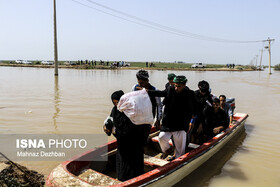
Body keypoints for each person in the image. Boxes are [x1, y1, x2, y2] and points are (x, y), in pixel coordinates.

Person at [147, 75, 197, 159]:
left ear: (184, 85)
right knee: (161, 137)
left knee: (180, 148)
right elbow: (160, 93)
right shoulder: (170, 89)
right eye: (175, 85)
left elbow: (195, 107)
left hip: (181, 123)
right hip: (169, 122)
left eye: (179, 86)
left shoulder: (190, 93)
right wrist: (147, 91)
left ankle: (178, 159)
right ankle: (168, 150)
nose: (176, 88)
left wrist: (191, 120)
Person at [103, 90, 144, 181]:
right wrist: (106, 128)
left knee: (133, 162)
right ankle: (123, 179)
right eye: (114, 103)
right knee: (122, 162)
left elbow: (136, 126)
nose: (117, 105)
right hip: (122, 142)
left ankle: (136, 179)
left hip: (133, 141)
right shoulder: (115, 110)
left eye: (118, 102)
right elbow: (110, 121)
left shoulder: (131, 110)